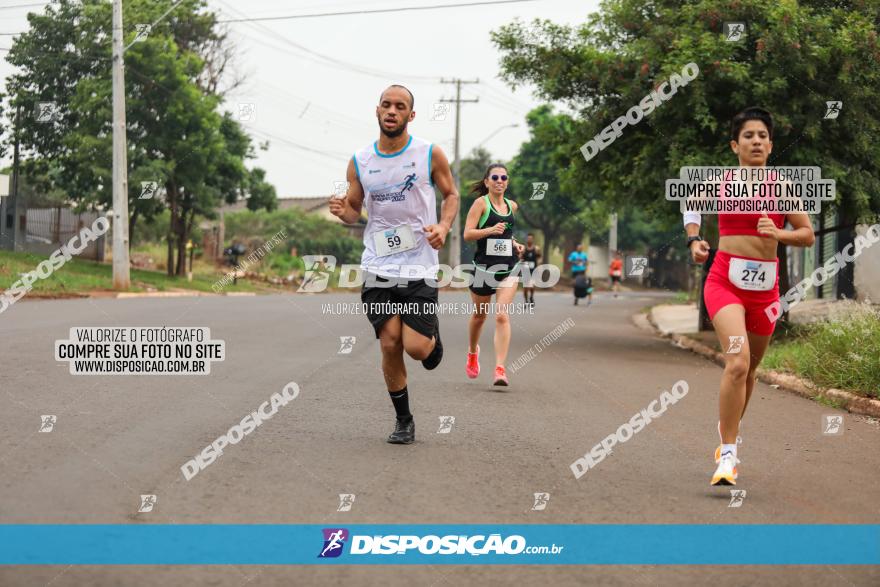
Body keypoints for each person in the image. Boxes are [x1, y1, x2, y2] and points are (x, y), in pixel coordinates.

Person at [684, 107, 814, 485]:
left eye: (762, 136)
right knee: (737, 362)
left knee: (751, 370)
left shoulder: (782, 187)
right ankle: (728, 455)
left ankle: (728, 433)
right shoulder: (722, 182)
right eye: (748, 136)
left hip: (765, 291)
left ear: (771, 146)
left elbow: (807, 235)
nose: (756, 141)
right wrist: (694, 238)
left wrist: (779, 234)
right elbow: (691, 205)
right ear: (734, 145)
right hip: (724, 280)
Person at [329, 85, 459, 445]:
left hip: (419, 265)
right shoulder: (360, 160)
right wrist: (345, 212)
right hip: (378, 264)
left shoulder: (428, 153)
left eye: (400, 106)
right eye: (386, 105)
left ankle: (432, 343)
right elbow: (355, 210)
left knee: (416, 349)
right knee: (389, 344)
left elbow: (451, 195)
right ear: (377, 111)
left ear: (410, 116)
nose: (392, 111)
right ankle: (404, 421)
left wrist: (444, 226)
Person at [463, 164, 524, 386]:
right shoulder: (480, 204)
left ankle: (500, 369)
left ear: (507, 182)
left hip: (509, 268)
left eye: (504, 177)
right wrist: (489, 230)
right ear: (487, 181)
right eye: (495, 177)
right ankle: (472, 352)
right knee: (479, 317)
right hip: (483, 269)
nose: (500, 180)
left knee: (501, 315)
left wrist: (515, 245)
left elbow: (507, 235)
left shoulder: (512, 206)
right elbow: (468, 234)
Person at [520, 233, 541, 306]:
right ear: (526, 239)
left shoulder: (536, 248)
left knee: (531, 285)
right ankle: (526, 301)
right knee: (525, 287)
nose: (529, 240)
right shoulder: (523, 249)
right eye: (528, 238)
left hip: (533, 269)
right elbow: (520, 258)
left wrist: (538, 265)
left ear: (533, 239)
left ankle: (531, 297)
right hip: (525, 269)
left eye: (531, 238)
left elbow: (539, 258)